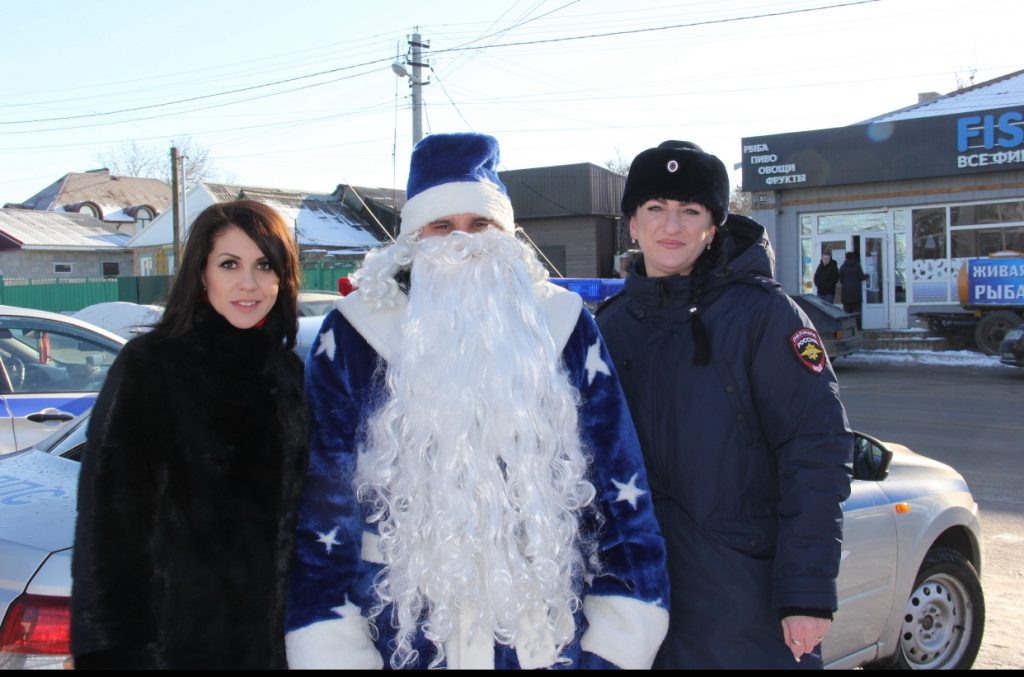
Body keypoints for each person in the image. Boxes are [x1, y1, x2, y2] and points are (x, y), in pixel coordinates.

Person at [285, 132, 669, 670]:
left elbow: (621, 493)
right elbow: (322, 513)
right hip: (401, 644)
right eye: (441, 226)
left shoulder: (562, 326)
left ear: (507, 235)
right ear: (412, 239)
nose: (461, 241)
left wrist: (617, 645)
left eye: (479, 224)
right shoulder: (355, 335)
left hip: (545, 645)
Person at [595, 140, 853, 670]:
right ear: (633, 225)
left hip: (745, 607)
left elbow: (815, 448)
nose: (673, 225)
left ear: (712, 227)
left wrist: (805, 593)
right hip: (632, 604)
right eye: (655, 209)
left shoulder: (764, 315)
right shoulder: (607, 328)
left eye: (690, 211)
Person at [70, 200, 309, 669]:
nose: (248, 283)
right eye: (229, 264)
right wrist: (116, 653)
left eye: (264, 265)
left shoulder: (286, 372)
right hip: (173, 649)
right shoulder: (152, 365)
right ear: (202, 274)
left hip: (272, 648)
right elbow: (109, 527)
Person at [840, 251, 869, 328]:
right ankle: (858, 327)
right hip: (856, 294)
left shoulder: (843, 267)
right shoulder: (857, 266)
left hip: (846, 294)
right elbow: (861, 277)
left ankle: (848, 328)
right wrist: (868, 275)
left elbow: (841, 280)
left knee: (847, 313)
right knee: (857, 312)